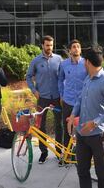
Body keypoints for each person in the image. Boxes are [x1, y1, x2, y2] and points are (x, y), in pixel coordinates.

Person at [67, 45, 104, 188]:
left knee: (101, 174)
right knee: (82, 171)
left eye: (85, 60)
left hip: (99, 135)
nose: (84, 63)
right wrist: (72, 116)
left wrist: (95, 122)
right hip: (82, 133)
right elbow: (80, 99)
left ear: (88, 62)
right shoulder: (88, 79)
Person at [26, 35, 63, 163]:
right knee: (41, 126)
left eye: (51, 45)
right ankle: (44, 152)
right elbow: (28, 77)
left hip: (57, 97)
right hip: (42, 98)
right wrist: (34, 91)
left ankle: (59, 151)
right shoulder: (36, 61)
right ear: (42, 45)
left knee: (59, 125)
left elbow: (63, 77)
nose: (49, 48)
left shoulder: (59, 59)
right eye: (47, 45)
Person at [58, 39, 87, 166]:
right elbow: (60, 80)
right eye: (74, 47)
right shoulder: (64, 64)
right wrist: (61, 95)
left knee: (83, 128)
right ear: (70, 50)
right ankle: (67, 154)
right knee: (67, 129)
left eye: (78, 47)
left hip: (83, 102)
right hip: (68, 101)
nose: (76, 49)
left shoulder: (86, 63)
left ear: (80, 50)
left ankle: (83, 154)